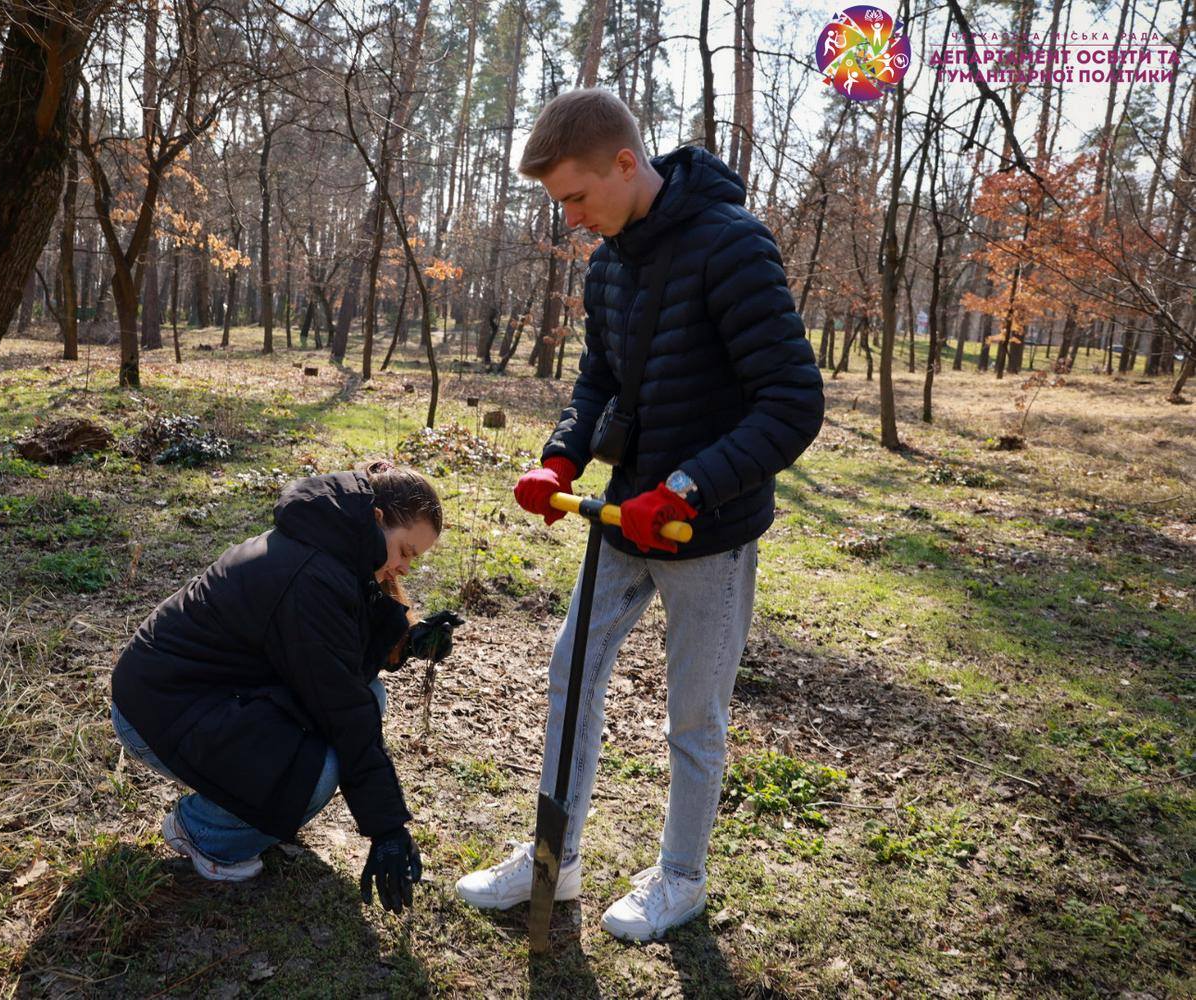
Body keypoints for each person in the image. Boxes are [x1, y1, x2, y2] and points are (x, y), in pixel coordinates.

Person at [454, 88, 825, 941]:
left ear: (627, 163)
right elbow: (602, 385)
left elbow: (791, 402)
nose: (574, 220)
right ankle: (557, 855)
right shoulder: (610, 262)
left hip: (708, 532)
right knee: (569, 676)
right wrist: (558, 458)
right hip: (620, 517)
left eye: (578, 198)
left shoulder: (733, 247)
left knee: (694, 717)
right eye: (561, 205)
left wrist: (691, 487)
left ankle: (682, 878)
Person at [111, 461, 464, 912]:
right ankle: (203, 833)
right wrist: (388, 829)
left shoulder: (333, 541)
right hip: (157, 709)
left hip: (205, 693)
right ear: (376, 520)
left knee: (368, 702)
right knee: (317, 771)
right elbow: (342, 709)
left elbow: (348, 647)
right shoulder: (313, 578)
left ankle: (241, 809)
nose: (406, 568)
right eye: (405, 551)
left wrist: (408, 639)